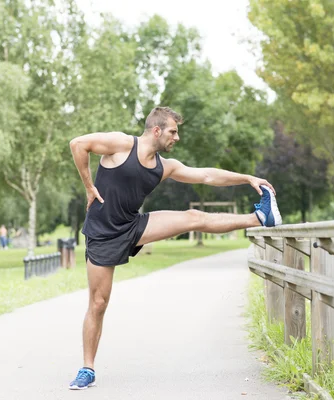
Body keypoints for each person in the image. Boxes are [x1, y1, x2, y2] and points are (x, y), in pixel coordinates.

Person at [67, 106, 282, 390]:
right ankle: (87, 368)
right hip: (102, 232)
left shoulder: (164, 166)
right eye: (173, 131)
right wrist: (88, 186)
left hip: (133, 225)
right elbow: (78, 144)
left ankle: (258, 218)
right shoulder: (121, 144)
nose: (176, 137)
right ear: (156, 130)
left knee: (193, 218)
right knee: (98, 303)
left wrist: (247, 178)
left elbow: (206, 176)